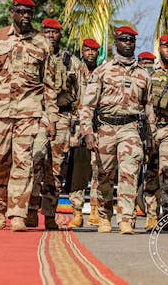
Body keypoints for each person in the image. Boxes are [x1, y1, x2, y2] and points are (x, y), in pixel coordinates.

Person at [0, 0, 58, 232]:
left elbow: (49, 85)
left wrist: (51, 118)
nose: (26, 16)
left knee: (24, 162)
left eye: (30, 12)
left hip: (29, 111)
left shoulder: (42, 44)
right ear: (12, 12)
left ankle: (17, 212)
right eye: (21, 12)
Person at [80, 26, 155, 234]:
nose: (128, 43)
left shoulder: (143, 74)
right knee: (103, 175)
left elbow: (148, 107)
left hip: (130, 128)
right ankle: (104, 216)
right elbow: (88, 105)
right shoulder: (102, 71)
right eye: (124, 39)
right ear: (116, 43)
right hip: (105, 128)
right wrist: (87, 131)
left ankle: (126, 219)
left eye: (131, 40)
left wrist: (151, 138)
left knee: (130, 172)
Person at [34, 18, 84, 230]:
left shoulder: (71, 62)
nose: (50, 35)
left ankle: (49, 214)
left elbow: (81, 96)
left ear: (60, 36)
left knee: (55, 170)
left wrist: (80, 126)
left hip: (62, 120)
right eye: (47, 31)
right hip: (35, 116)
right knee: (32, 162)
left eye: (55, 32)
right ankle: (29, 210)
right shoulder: (33, 56)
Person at [142, 35, 168, 232]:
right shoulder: (148, 74)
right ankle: (151, 216)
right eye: (166, 47)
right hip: (150, 128)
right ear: (160, 50)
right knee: (150, 173)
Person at [68, 38, 101, 228]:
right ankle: (77, 211)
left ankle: (95, 210)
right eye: (87, 50)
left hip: (97, 127)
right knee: (78, 171)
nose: (90, 53)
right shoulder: (73, 72)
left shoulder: (102, 73)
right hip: (77, 127)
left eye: (94, 51)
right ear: (82, 52)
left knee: (98, 169)